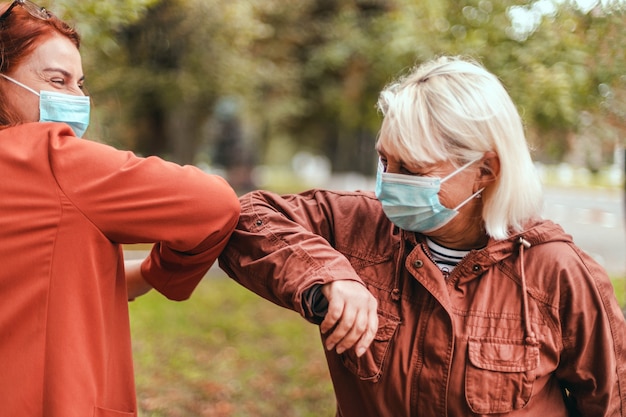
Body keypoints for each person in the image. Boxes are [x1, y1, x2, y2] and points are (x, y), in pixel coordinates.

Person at [219, 55, 626, 416]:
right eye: (384, 160)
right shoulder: (359, 226)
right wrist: (327, 274)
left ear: (486, 170)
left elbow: (613, 401)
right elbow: (244, 219)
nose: (388, 183)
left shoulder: (556, 272)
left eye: (412, 169)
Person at [0, 1, 240, 416]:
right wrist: (159, 272)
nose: (77, 97)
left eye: (80, 83)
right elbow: (213, 206)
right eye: (57, 80)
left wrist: (129, 276)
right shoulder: (54, 161)